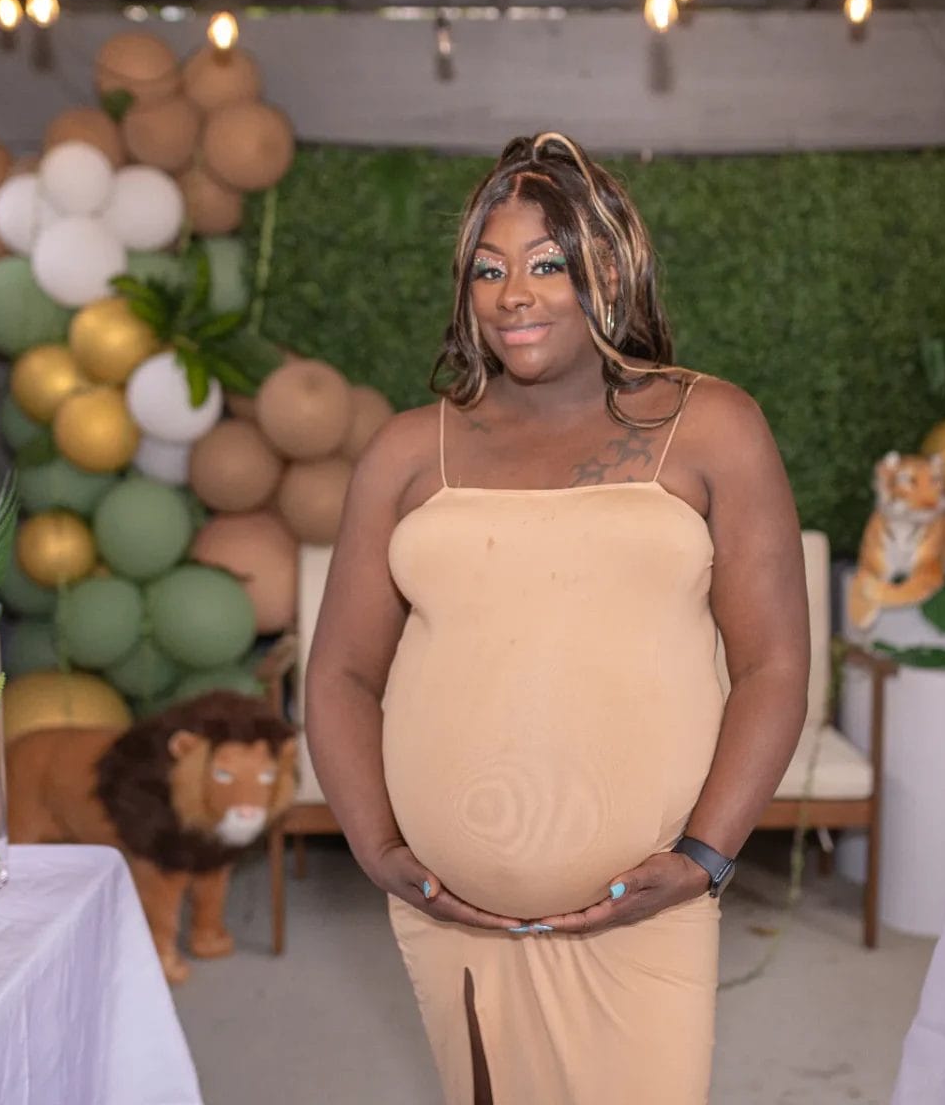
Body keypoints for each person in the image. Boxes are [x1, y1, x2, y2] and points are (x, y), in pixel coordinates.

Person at [303, 132, 810, 1105]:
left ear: (609, 269)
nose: (513, 294)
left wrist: (705, 857)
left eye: (546, 263)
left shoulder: (711, 427)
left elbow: (775, 665)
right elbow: (340, 674)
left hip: (648, 911)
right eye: (488, 270)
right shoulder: (410, 451)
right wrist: (378, 849)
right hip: (450, 916)